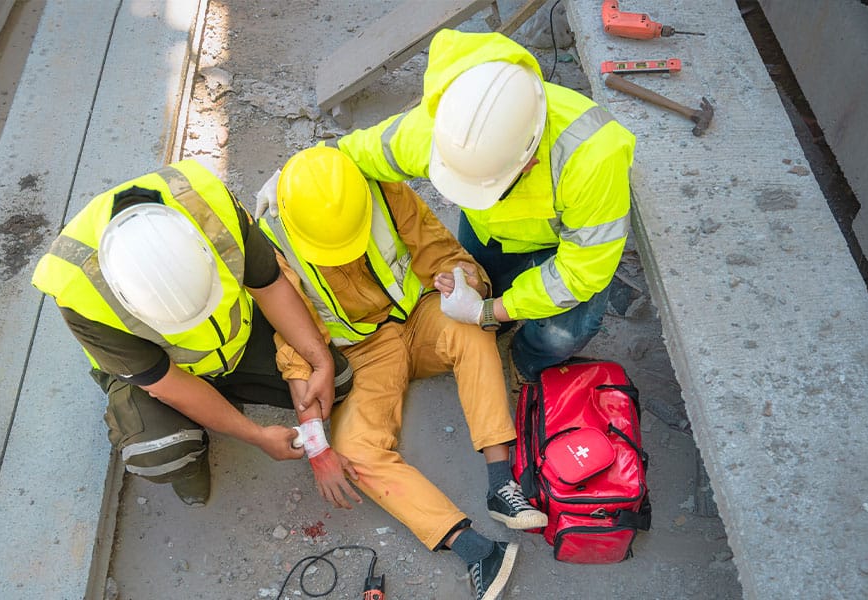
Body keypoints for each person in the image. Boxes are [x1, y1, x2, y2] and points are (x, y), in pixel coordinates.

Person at [257, 146, 548, 600]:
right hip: (364, 351)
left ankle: (500, 483)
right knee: (352, 450)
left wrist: (464, 283)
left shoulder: (380, 189)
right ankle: (475, 550)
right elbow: (293, 348)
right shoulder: (272, 245)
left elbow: (442, 252)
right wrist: (315, 443)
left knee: (473, 333)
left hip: (420, 314)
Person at [31, 159, 359, 508]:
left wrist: (318, 360)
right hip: (158, 375)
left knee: (336, 381)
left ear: (202, 250)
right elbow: (169, 384)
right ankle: (190, 452)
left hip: (238, 339)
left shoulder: (207, 206)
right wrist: (257, 435)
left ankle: (223, 399)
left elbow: (271, 286)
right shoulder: (77, 290)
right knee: (159, 452)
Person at [333, 29, 636, 385]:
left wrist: (487, 311)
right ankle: (493, 327)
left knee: (563, 333)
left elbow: (579, 273)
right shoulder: (446, 129)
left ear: (529, 163)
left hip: (563, 241)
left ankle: (526, 361)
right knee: (483, 280)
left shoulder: (594, 158)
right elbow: (362, 152)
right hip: (489, 230)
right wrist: (301, 174)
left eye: (482, 186)